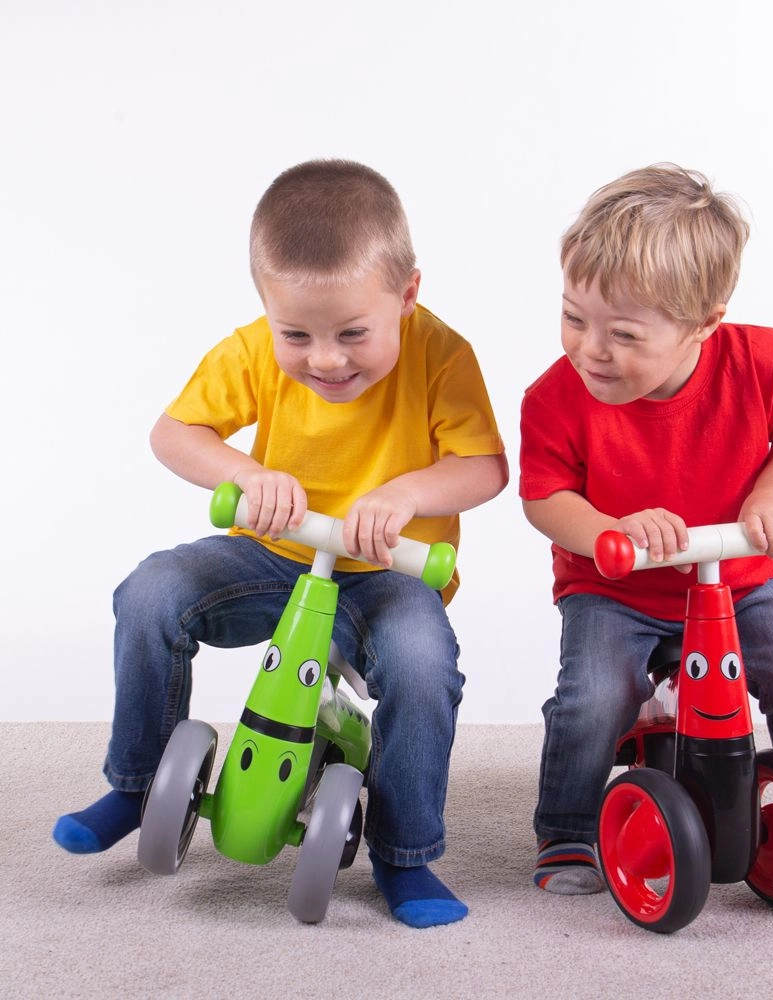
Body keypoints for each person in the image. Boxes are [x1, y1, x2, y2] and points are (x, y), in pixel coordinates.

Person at [53, 159, 509, 928]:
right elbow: (174, 433)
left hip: (386, 573)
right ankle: (137, 784)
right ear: (267, 305)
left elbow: (484, 466)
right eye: (296, 333)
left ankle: (405, 853)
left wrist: (406, 495)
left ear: (406, 295)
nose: (325, 359)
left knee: (422, 663)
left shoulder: (442, 354)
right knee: (152, 592)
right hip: (273, 557)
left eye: (353, 333)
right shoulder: (255, 348)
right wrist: (246, 473)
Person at [519, 164, 773, 895]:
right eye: (574, 318)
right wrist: (610, 529)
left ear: (704, 322)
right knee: (594, 696)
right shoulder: (554, 397)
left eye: (623, 333)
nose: (590, 349)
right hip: (615, 591)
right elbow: (544, 499)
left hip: (740, 582)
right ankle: (568, 829)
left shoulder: (757, 362)